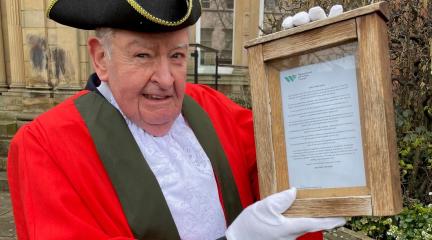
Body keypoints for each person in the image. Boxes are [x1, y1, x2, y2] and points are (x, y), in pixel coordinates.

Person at [7, 0, 345, 239]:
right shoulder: (45, 145)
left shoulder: (210, 106)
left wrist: (312, 80)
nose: (167, 79)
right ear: (101, 58)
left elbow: (293, 165)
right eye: (143, 55)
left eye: (177, 56)